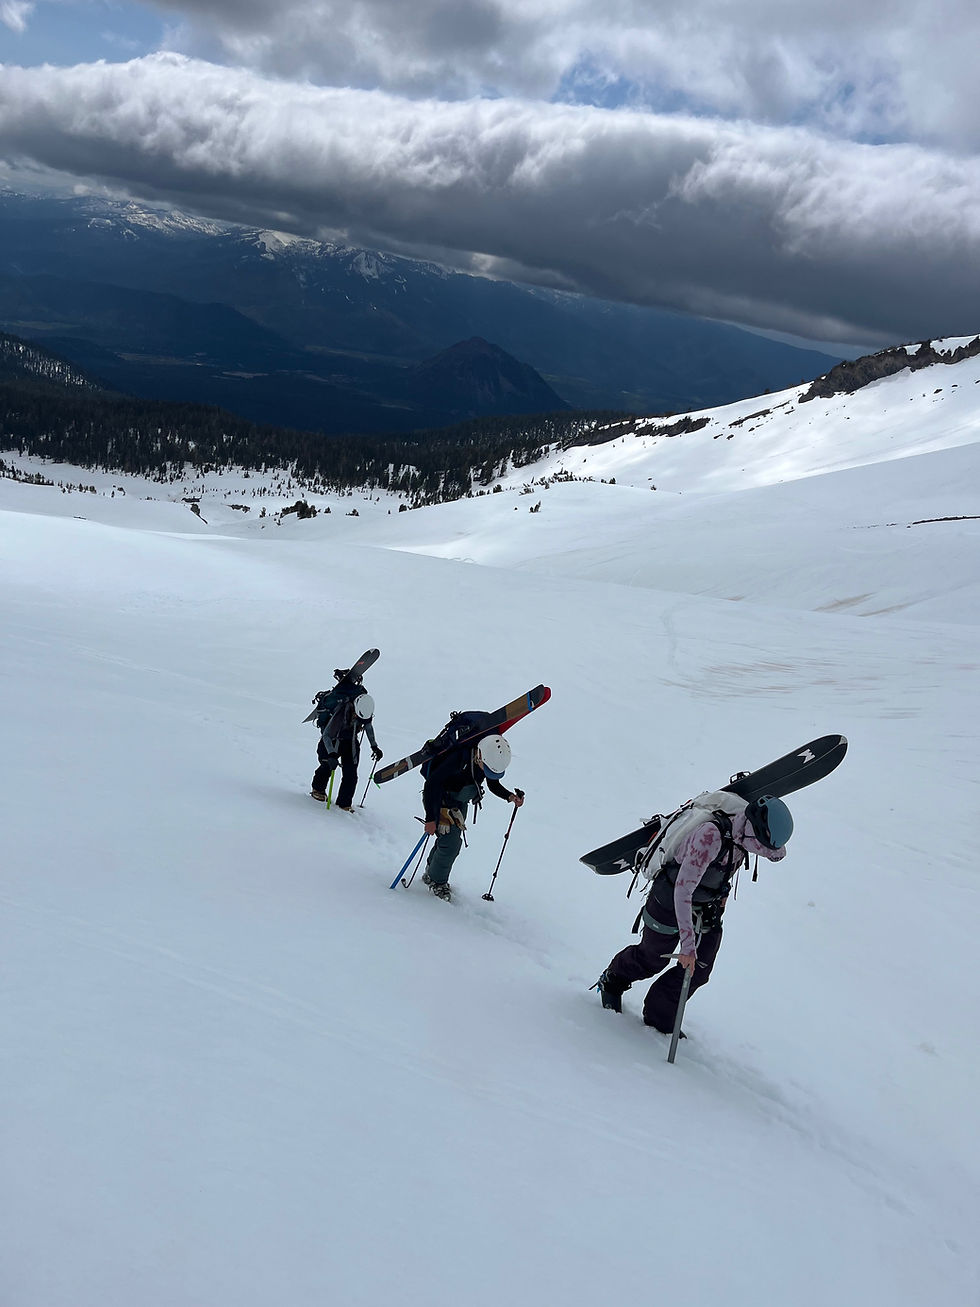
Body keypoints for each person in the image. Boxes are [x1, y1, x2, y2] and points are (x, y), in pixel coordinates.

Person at [595, 794, 793, 1032]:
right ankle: (612, 981)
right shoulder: (710, 836)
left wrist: (720, 901)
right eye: (762, 845)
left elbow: (749, 862)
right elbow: (683, 890)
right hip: (670, 898)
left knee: (699, 969)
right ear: (754, 829)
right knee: (652, 959)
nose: (764, 852)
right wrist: (687, 947)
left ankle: (660, 1018)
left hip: (706, 903)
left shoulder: (746, 836)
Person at [420, 732, 525, 900]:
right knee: (451, 844)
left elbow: (493, 783)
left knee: (447, 841)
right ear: (479, 756)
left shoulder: (485, 759)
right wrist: (431, 818)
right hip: (442, 803)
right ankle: (437, 881)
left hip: (460, 802)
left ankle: (431, 873)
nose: (489, 773)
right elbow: (432, 785)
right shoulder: (458, 759)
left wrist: (510, 796)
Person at [310, 668, 382, 810]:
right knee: (327, 766)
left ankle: (344, 803)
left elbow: (368, 726)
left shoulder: (365, 708)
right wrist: (331, 754)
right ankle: (317, 790)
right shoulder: (340, 713)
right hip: (333, 740)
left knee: (351, 774)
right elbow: (327, 735)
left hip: (350, 741)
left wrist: (374, 746)